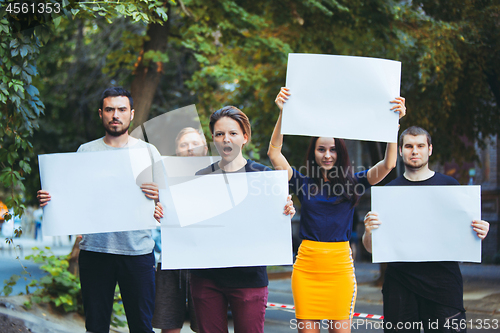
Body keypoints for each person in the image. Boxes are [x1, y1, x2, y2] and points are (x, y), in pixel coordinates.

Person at [268, 87, 406, 333]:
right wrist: (283, 115)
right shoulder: (302, 181)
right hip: (306, 268)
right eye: (321, 149)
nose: (327, 155)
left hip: (340, 267)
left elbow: (389, 164)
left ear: (340, 153)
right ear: (314, 153)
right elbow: (274, 152)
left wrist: (391, 126)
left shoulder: (355, 181)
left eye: (332, 150)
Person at [37, 87, 161, 333]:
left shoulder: (148, 152)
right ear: (101, 114)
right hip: (95, 252)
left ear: (132, 114)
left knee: (142, 326)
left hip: (138, 253)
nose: (116, 114)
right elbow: (72, 196)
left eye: (121, 109)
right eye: (110, 109)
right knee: (95, 326)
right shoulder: (86, 151)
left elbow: (166, 202)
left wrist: (160, 200)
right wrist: (51, 198)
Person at [362, 126, 490, 333]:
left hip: (444, 285)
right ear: (401, 151)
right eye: (409, 146)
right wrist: (368, 231)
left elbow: (466, 237)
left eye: (420, 146)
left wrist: (480, 232)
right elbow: (370, 248)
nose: (415, 151)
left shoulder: (451, 187)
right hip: (400, 286)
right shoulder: (388, 193)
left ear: (429, 149)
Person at [182, 106, 295, 333]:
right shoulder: (200, 179)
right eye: (219, 134)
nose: (226, 139)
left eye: (233, 133)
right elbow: (189, 225)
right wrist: (166, 215)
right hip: (207, 278)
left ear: (245, 137)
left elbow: (273, 224)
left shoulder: (264, 177)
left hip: (249, 279)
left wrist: (285, 212)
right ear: (213, 138)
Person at [152, 127, 207, 333]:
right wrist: (156, 211)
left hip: (206, 262)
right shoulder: (162, 179)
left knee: (205, 324)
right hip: (170, 259)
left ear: (205, 147)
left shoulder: (218, 176)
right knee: (168, 323)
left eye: (194, 143)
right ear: (177, 150)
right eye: (183, 145)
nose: (190, 149)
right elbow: (150, 215)